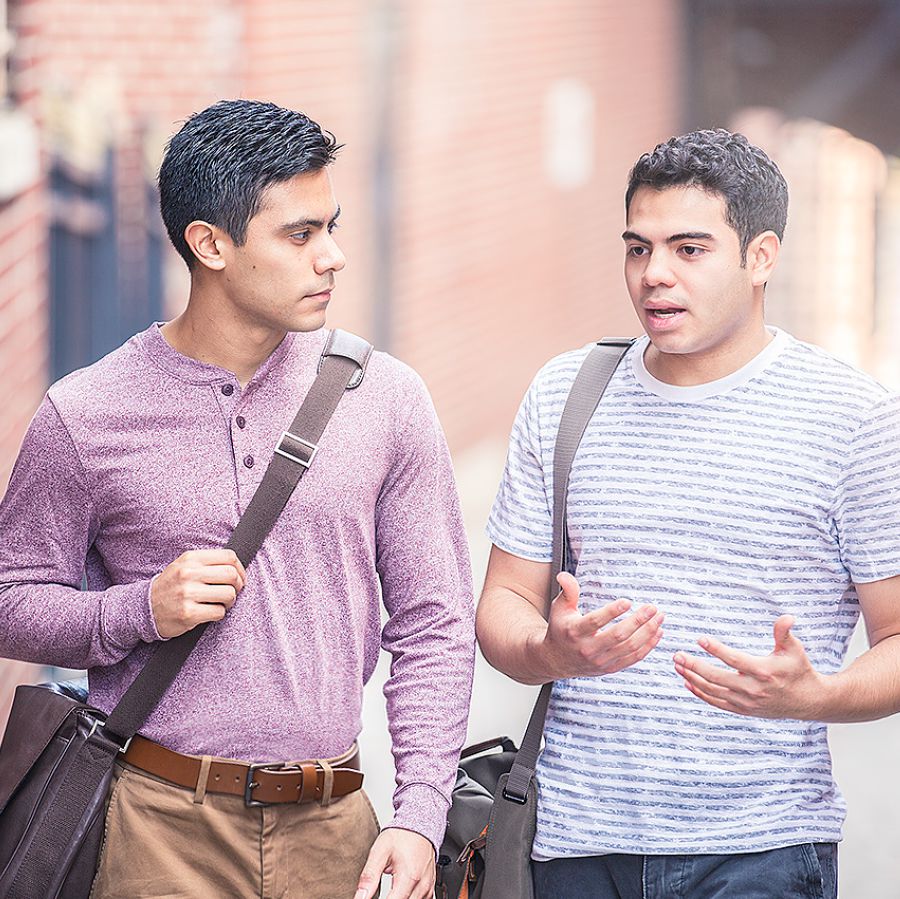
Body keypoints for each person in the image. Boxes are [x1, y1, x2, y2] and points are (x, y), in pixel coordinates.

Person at [0, 99, 474, 899]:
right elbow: (11, 600)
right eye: (300, 234)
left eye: (331, 226)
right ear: (210, 244)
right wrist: (138, 609)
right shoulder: (86, 414)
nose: (333, 257)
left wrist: (421, 812)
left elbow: (435, 622)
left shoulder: (385, 398)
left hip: (337, 829)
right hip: (156, 827)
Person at [476, 128, 900, 899]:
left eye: (689, 249)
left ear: (761, 257)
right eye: (638, 248)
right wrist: (551, 649)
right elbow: (503, 601)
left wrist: (817, 696)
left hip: (762, 850)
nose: (654, 274)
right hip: (577, 844)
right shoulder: (566, 394)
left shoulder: (854, 420)